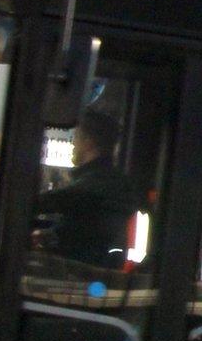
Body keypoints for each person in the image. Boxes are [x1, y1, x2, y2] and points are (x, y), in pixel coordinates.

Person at [32, 110, 148, 269]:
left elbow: (56, 200)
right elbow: (84, 227)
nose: (73, 143)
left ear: (89, 142)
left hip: (81, 274)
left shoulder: (98, 183)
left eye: (76, 137)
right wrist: (52, 233)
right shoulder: (109, 180)